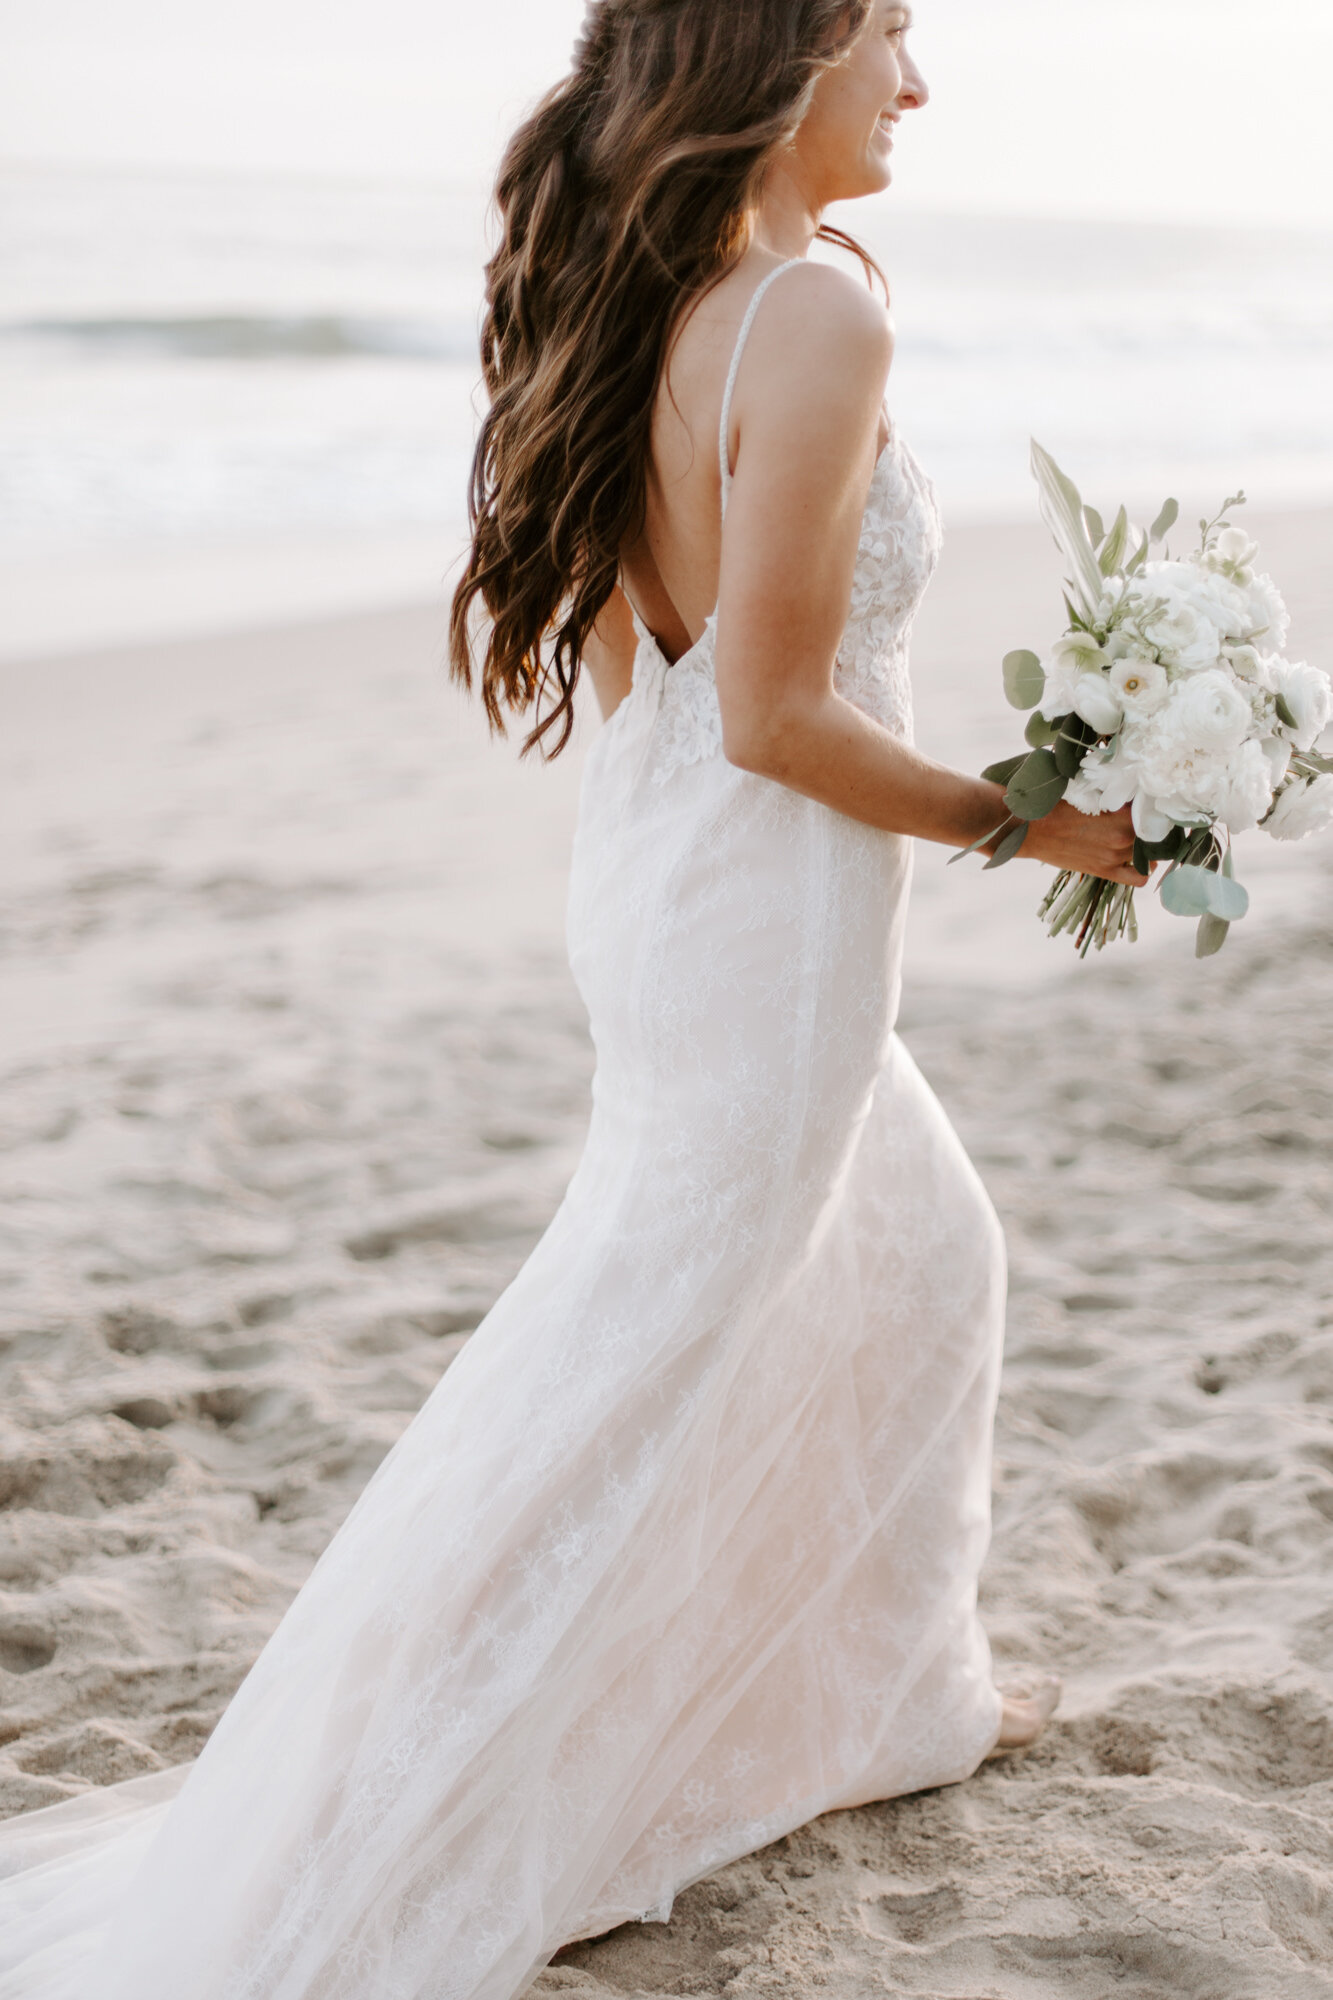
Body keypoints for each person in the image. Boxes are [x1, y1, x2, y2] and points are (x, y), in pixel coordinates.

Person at [0, 4, 1145, 1996]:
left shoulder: (651, 281)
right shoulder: (811, 320)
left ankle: (850, 1700)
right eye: (889, 32)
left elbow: (700, 673)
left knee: (904, 1246)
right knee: (647, 1337)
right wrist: (1060, 829)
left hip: (662, 880)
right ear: (783, 50)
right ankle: (433, 1780)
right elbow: (784, 713)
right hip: (760, 904)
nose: (917, 82)